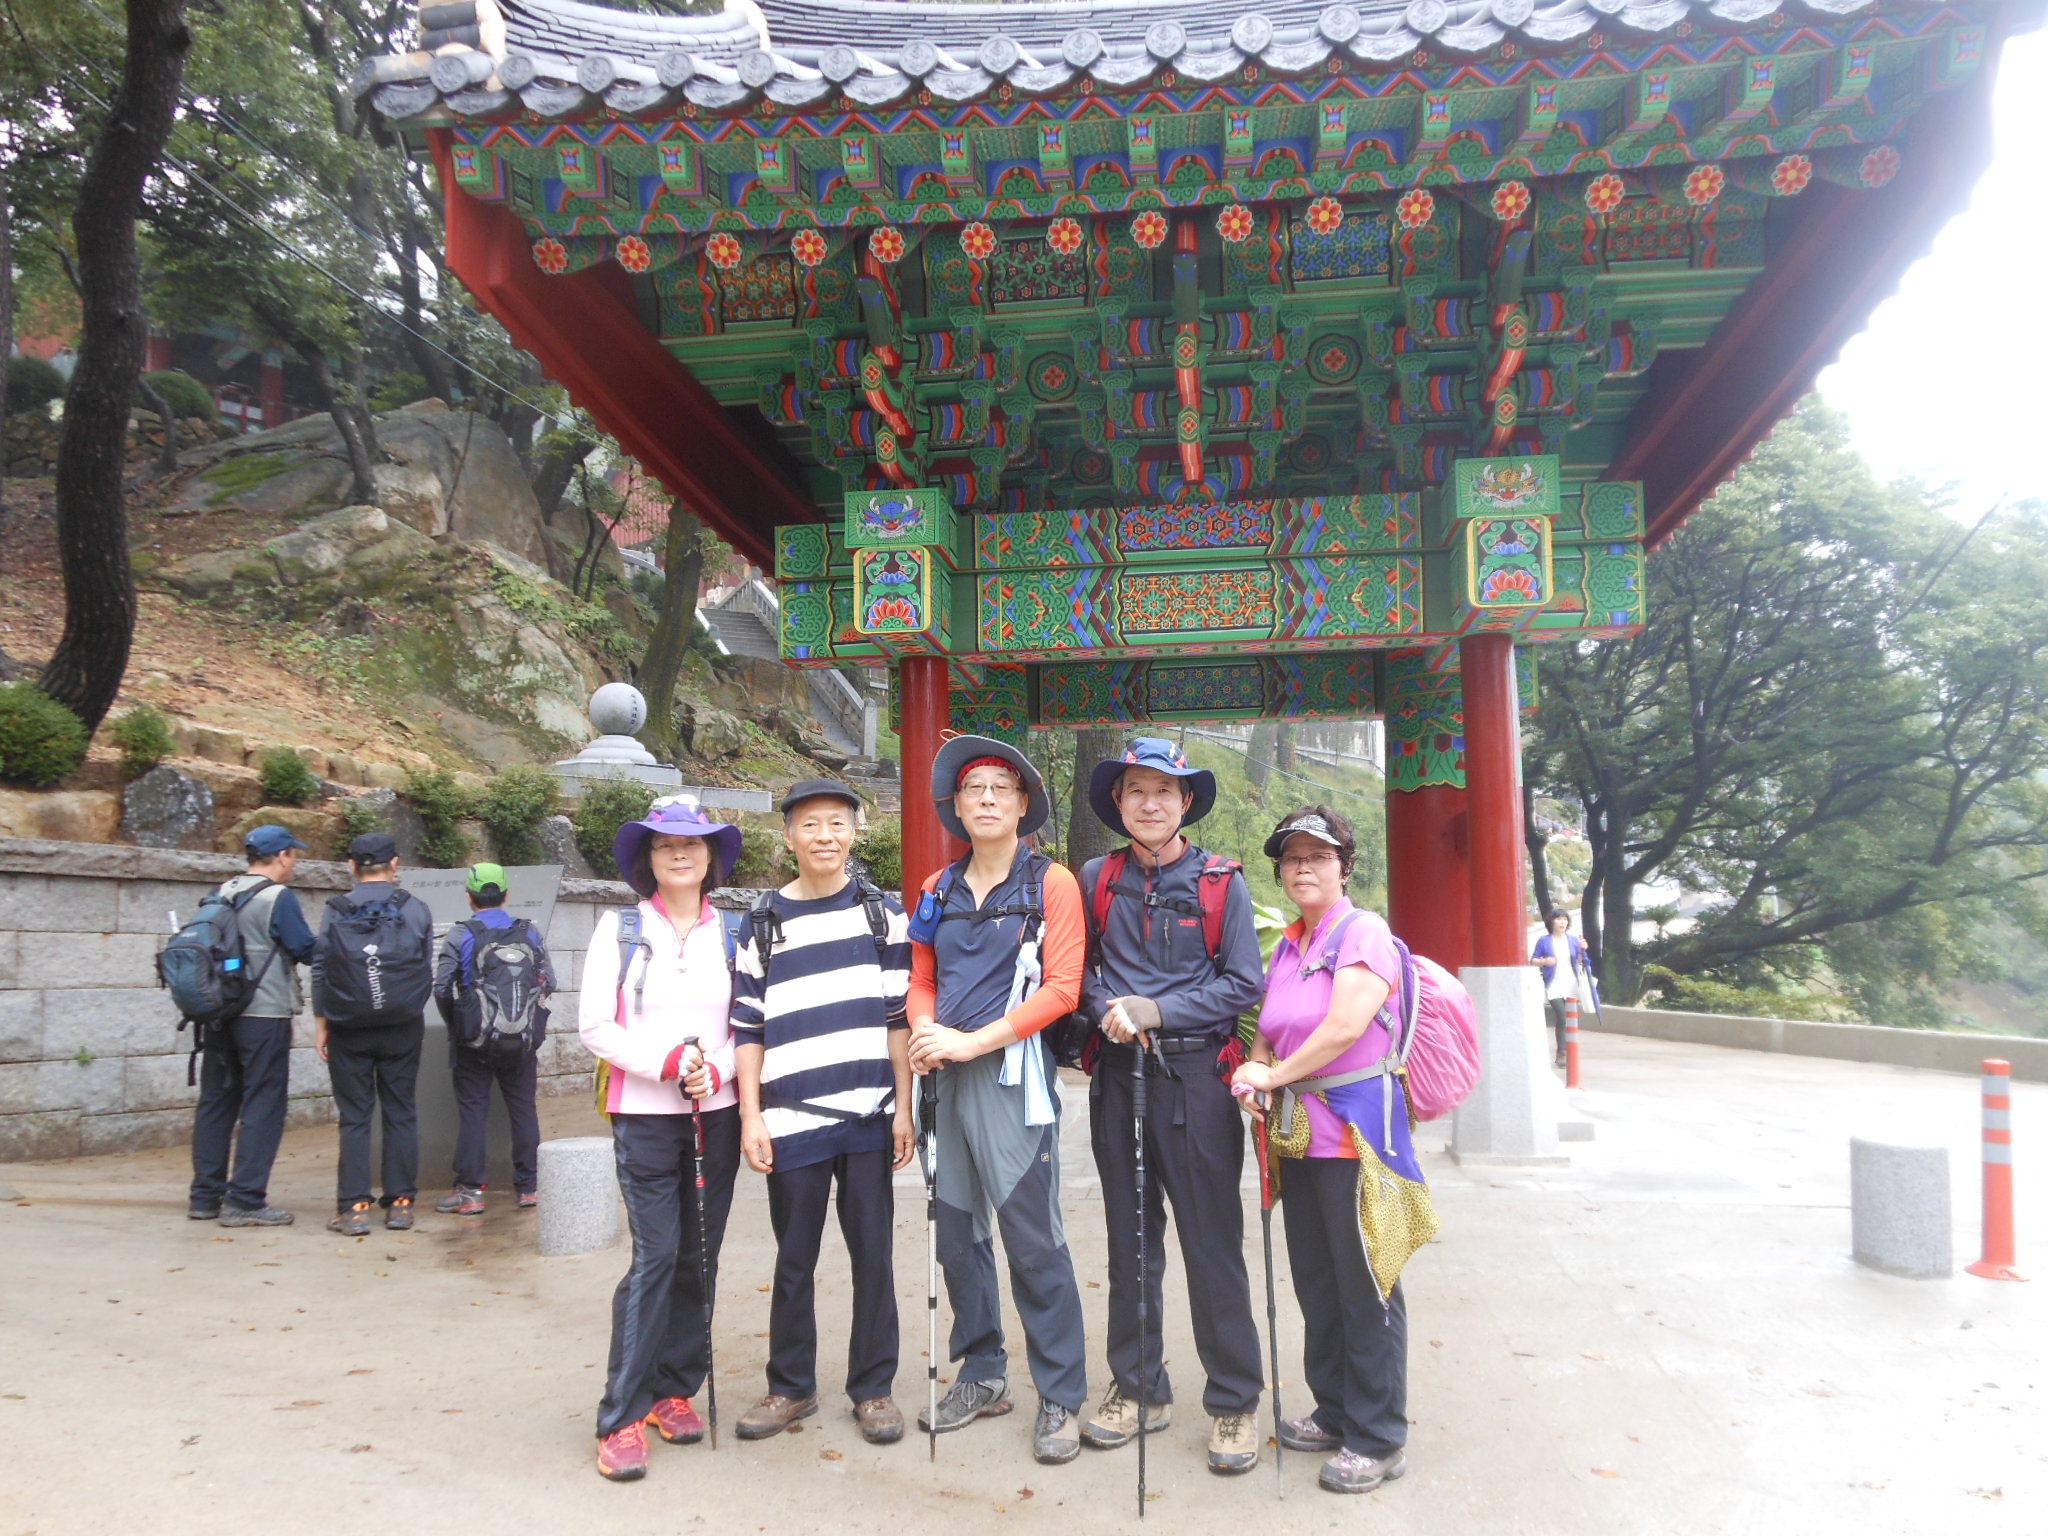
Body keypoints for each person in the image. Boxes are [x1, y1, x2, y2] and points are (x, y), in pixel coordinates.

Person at [1075, 738, 1267, 1474]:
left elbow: (1242, 983)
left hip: (1196, 1084)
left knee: (1211, 1244)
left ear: (1186, 802)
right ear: (1118, 803)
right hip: (1119, 1077)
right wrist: (1107, 1007)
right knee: (1130, 1244)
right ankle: (1138, 1388)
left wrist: (1158, 1010)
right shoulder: (1097, 878)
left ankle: (1234, 1400)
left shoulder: (1221, 882)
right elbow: (1077, 970)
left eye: (1164, 790)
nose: (1149, 803)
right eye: (1136, 790)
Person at [1232, 806, 1428, 1497]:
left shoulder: (1362, 933)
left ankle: (1378, 1436)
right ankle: (1335, 1409)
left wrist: (1273, 1077)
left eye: (1318, 856)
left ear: (1345, 867)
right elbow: (1269, 1027)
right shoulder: (1290, 945)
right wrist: (1257, 1067)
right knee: (1318, 1283)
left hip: (1357, 1140)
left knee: (1366, 1287)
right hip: (1300, 1141)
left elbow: (1345, 1027)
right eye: (1292, 858)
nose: (1304, 868)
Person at [905, 735, 1090, 1466]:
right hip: (944, 1078)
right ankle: (982, 1372)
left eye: (1000, 788)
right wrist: (927, 1030)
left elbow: (1063, 988)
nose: (985, 798)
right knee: (957, 1235)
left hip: (1012, 1077)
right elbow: (922, 977)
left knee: (1033, 1239)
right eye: (972, 788)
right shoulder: (937, 887)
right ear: (955, 805)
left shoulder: (1052, 883)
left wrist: (971, 1042)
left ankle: (1061, 1393)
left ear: (1021, 806)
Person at [731, 780, 914, 1445]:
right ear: (789, 837)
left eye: (837, 823)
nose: (825, 836)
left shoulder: (883, 916)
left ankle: (873, 1388)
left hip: (867, 1114)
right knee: (794, 1259)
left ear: (855, 832)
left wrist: (904, 1108)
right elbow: (746, 1026)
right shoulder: (761, 921)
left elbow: (899, 1019)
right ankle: (790, 1386)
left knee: (873, 1256)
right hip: (791, 1117)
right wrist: (751, 1116)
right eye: (810, 825)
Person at [580, 796, 745, 1483]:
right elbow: (596, 1025)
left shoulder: (734, 932)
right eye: (664, 843)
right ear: (648, 857)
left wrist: (718, 1069)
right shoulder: (618, 929)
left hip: (718, 1113)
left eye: (693, 842)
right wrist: (668, 1063)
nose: (679, 852)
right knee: (655, 1255)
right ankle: (621, 1413)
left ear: (711, 857)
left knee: (699, 1257)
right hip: (644, 1115)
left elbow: (751, 1021)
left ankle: (674, 1388)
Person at [187, 824, 317, 1227]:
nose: (294, 863)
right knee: (263, 1103)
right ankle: (244, 1199)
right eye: (293, 855)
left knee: (217, 1101)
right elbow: (305, 948)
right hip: (264, 1014)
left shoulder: (222, 890)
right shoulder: (278, 897)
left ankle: (205, 1196)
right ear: (280, 856)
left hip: (219, 1013)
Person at [313, 832, 436, 1237]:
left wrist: (322, 1023)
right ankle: (400, 1204)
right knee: (401, 1110)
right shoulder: (414, 908)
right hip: (402, 1025)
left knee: (354, 1117)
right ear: (395, 864)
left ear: (351, 866)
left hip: (348, 1027)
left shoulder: (336, 910)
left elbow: (321, 967)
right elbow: (423, 966)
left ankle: (354, 1208)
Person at [431, 862, 555, 1215]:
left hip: (474, 1040)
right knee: (523, 1108)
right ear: (506, 895)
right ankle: (529, 1187)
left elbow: (442, 988)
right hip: (522, 1040)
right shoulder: (529, 933)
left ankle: (470, 1191)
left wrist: (458, 1024)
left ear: (469, 897)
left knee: (473, 1110)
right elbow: (550, 981)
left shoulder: (461, 935)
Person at [1531, 909, 1590, 1069]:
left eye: (1565, 919)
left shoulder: (1573, 940)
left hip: (1571, 983)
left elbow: (1581, 961)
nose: (1562, 922)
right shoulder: (1544, 941)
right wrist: (1545, 961)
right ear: (1551, 922)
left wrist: (1583, 949)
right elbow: (1533, 960)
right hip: (1553, 984)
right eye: (1558, 919)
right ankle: (1562, 1052)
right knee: (1562, 1017)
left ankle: (1569, 1051)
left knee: (1569, 1020)